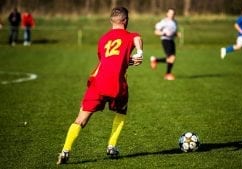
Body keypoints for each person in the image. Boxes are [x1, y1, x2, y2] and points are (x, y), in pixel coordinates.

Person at [57, 7, 143, 164]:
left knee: (81, 119)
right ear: (126, 20)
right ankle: (111, 146)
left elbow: (107, 61)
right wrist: (139, 53)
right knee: (121, 112)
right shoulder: (130, 36)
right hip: (117, 85)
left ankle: (65, 150)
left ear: (111, 21)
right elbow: (137, 38)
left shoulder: (103, 39)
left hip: (98, 83)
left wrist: (126, 61)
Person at [150, 8, 181, 80]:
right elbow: (156, 32)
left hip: (171, 41)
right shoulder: (164, 22)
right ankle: (168, 74)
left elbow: (173, 32)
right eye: (170, 13)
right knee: (171, 58)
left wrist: (177, 34)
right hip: (165, 40)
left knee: (172, 59)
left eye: (173, 13)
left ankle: (155, 60)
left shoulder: (175, 22)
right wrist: (164, 33)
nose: (172, 15)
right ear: (167, 14)